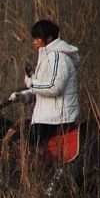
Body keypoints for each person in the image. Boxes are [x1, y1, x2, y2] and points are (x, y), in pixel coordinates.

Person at [8, 19, 80, 150]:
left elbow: (54, 88)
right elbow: (42, 89)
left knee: (22, 144)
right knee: (15, 136)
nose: (34, 42)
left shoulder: (59, 58)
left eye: (37, 38)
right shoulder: (47, 57)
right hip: (46, 117)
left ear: (49, 38)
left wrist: (32, 84)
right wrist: (23, 96)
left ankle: (39, 170)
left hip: (57, 118)